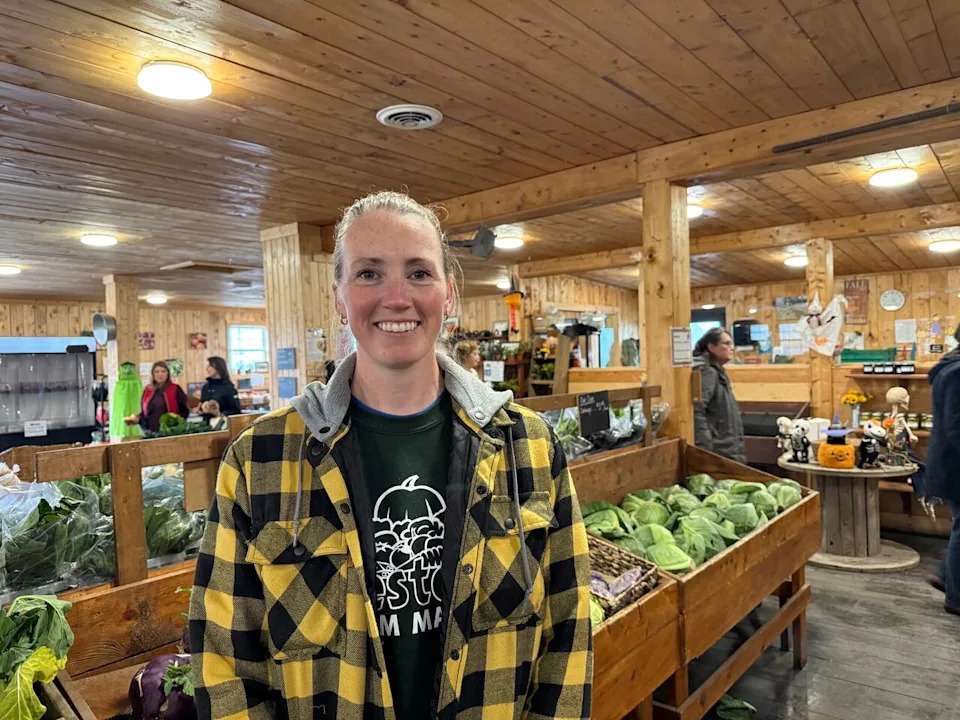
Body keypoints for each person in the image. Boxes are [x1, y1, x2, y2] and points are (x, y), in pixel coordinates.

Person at [190, 191, 593, 720]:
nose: (397, 297)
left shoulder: (530, 446)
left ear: (450, 294)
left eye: (419, 273)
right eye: (369, 274)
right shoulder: (261, 459)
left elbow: (570, 632)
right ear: (339, 298)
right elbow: (223, 663)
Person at [922, 324, 960, 616]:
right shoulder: (956, 371)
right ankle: (955, 597)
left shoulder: (949, 368)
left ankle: (946, 576)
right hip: (955, 464)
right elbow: (956, 427)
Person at [692, 327, 745, 463]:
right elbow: (697, 409)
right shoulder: (708, 372)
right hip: (719, 448)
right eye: (726, 344)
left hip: (725, 445)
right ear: (711, 347)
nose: (732, 348)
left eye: (731, 344)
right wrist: (705, 446)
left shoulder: (716, 370)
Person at [125, 361, 189, 433]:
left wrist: (176, 425)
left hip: (171, 431)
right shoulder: (147, 390)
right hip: (151, 431)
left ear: (168, 374)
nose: (160, 374)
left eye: (163, 371)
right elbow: (144, 414)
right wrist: (136, 420)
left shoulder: (175, 389)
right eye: (157, 372)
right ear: (153, 374)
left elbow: (184, 411)